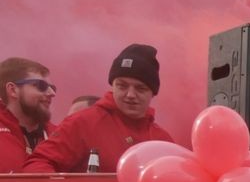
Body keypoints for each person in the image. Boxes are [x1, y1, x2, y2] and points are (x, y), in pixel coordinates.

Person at [24, 44, 173, 173]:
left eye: (140, 88)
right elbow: (37, 165)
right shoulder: (83, 123)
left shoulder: (162, 141)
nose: (130, 95)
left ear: (152, 93)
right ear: (112, 86)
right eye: (122, 86)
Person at [0, 57, 56, 172]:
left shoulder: (59, 136)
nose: (52, 93)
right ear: (13, 90)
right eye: (41, 86)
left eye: (52, 88)